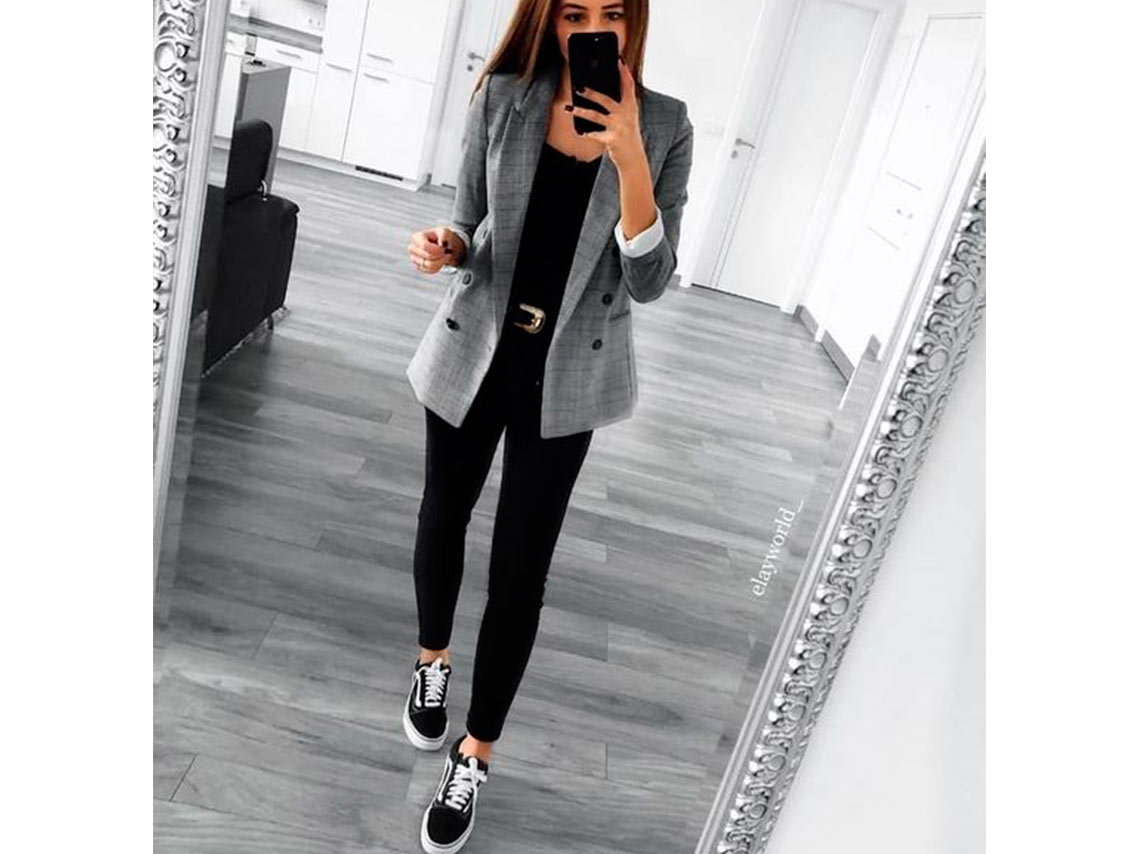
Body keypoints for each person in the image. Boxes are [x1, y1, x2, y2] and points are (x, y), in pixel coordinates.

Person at [403, 2, 693, 851]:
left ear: (632, 21)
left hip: (568, 373)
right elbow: (466, 222)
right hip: (475, 346)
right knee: (442, 515)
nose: (591, 27)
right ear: (549, 17)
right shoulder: (503, 95)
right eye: (573, 12)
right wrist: (444, 246)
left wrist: (629, 153)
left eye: (610, 12)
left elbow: (650, 283)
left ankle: (475, 752)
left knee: (521, 568)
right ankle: (431, 663)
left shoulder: (666, 126)